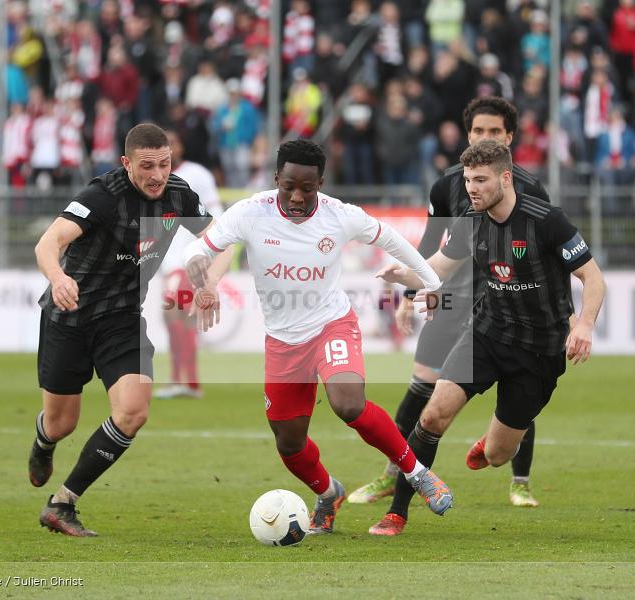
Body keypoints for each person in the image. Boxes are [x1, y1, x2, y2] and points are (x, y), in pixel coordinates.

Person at [182, 139, 453, 534]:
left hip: (331, 324)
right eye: (288, 185)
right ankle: (328, 493)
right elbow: (201, 247)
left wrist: (430, 282)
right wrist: (197, 269)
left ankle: (417, 473)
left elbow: (392, 240)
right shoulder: (249, 213)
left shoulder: (339, 216)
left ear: (321, 183)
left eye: (307, 188)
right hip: (282, 341)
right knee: (289, 443)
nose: (296, 196)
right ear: (276, 178)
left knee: (348, 403)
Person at [369, 140, 606, 535]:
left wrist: (583, 325)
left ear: (506, 178)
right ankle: (397, 512)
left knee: (498, 455)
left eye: (480, 180)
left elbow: (592, 277)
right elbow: (438, 268)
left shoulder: (546, 220)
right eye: (467, 180)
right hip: (486, 334)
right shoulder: (470, 220)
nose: (471, 188)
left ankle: (493, 442)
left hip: (540, 352)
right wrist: (405, 275)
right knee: (432, 416)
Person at [349, 97, 552, 509]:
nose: (486, 137)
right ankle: (394, 474)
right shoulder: (447, 185)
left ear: (509, 137)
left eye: (495, 132)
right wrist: (411, 292)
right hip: (452, 297)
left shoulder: (530, 189)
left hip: (504, 305)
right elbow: (430, 243)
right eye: (479, 131)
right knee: (422, 384)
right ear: (468, 134)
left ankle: (520, 480)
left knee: (516, 386)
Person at [29, 124, 216, 537]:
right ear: (126, 163)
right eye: (147, 166)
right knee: (62, 424)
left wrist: (209, 284)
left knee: (133, 411)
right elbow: (48, 242)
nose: (157, 175)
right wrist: (58, 278)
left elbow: (216, 239)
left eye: (164, 164)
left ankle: (63, 503)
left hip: (122, 318)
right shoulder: (102, 196)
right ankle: (44, 442)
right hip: (70, 316)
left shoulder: (180, 194)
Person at [153, 129, 223, 399]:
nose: (169, 149)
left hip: (188, 258)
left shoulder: (198, 175)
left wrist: (206, 253)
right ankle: (185, 382)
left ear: (180, 147)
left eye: (173, 143)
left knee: (176, 312)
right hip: (167, 260)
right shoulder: (153, 178)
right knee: (172, 315)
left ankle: (185, 382)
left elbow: (217, 214)